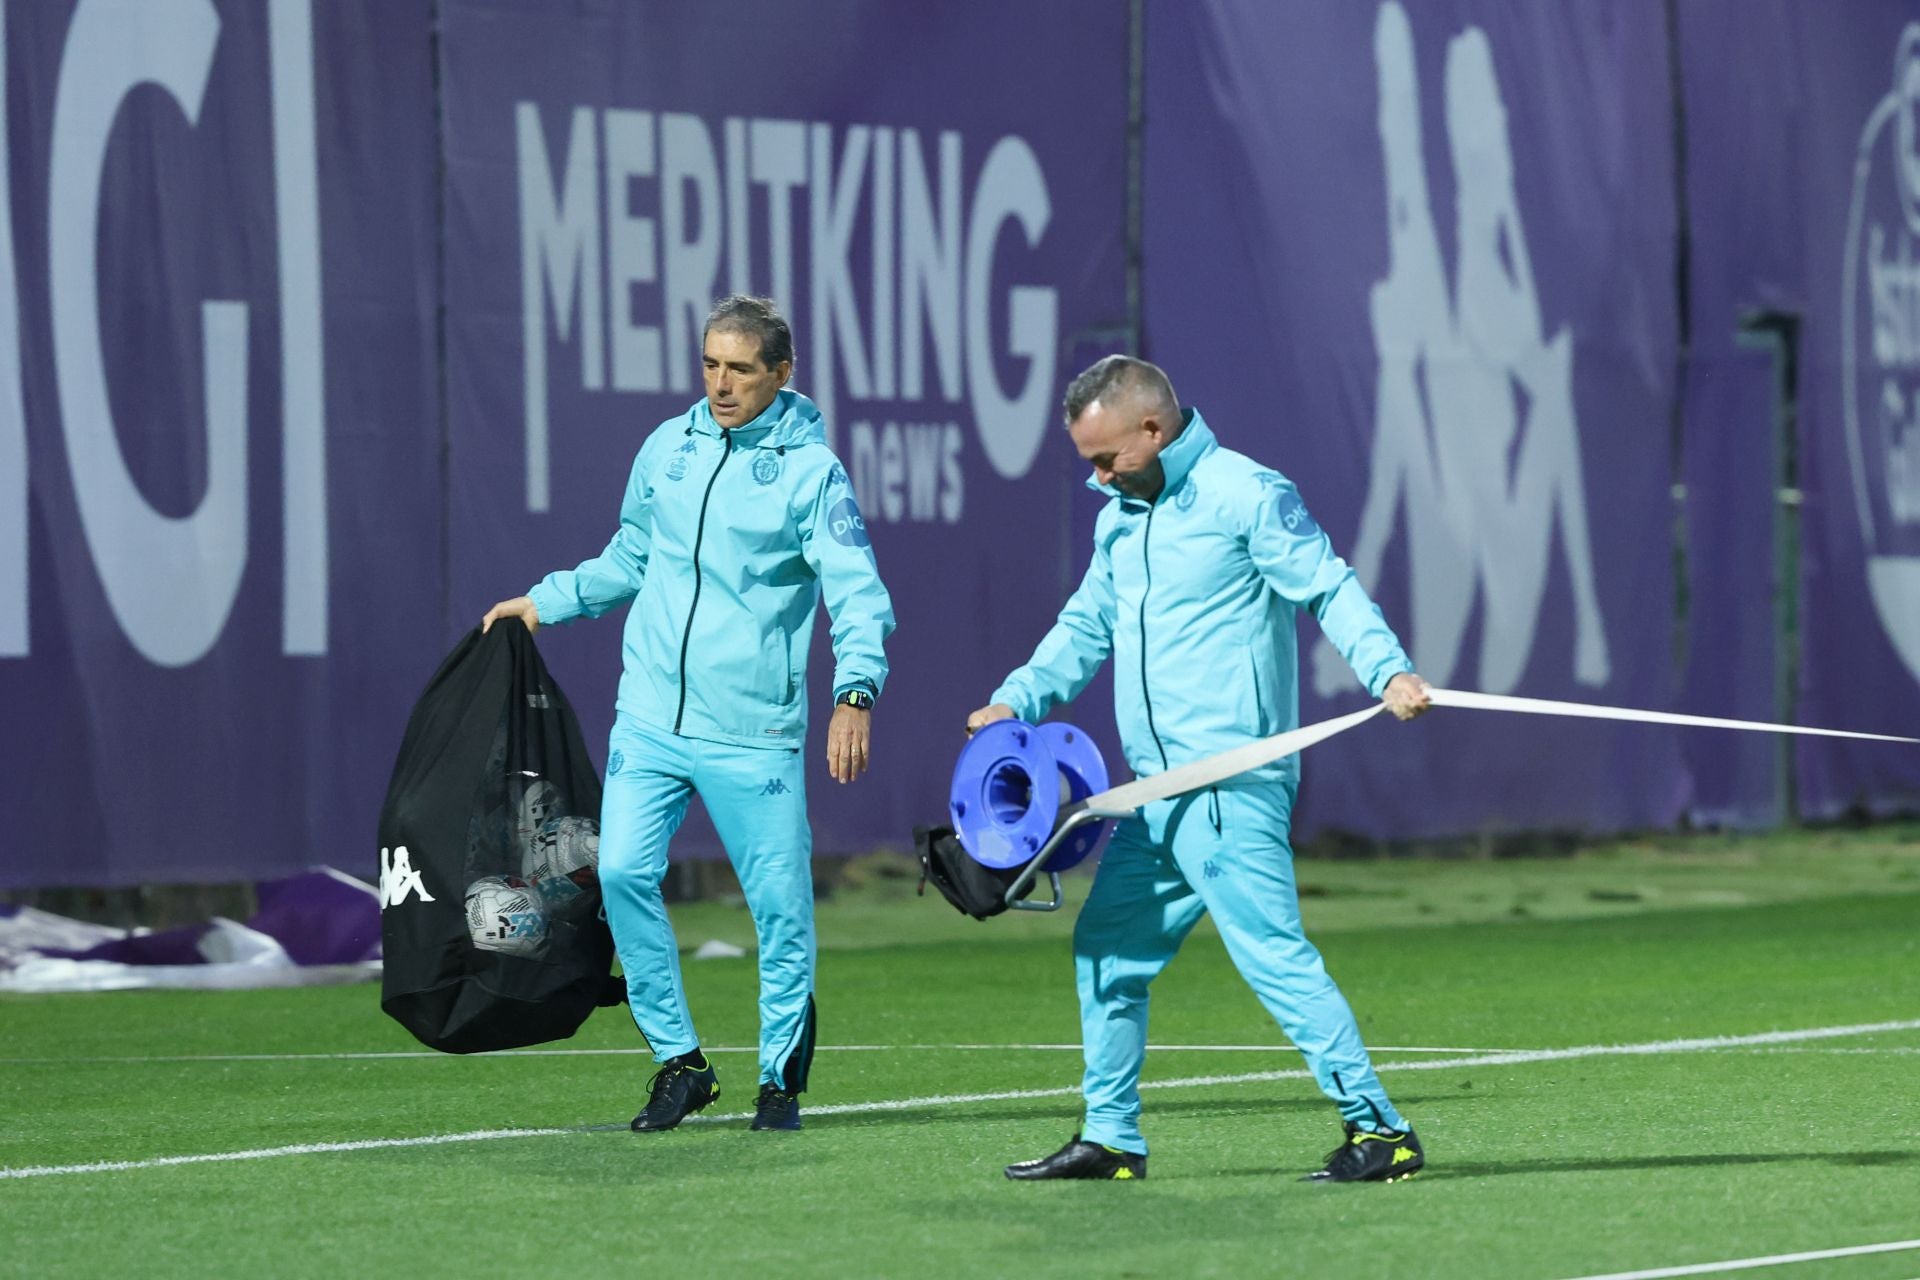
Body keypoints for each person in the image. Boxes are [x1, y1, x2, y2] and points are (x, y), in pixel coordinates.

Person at [967, 354, 1431, 1182]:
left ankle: (1383, 1130)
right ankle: (1112, 1140)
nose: (1099, 476)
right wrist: (1017, 700)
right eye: (1089, 463)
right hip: (1151, 797)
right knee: (1106, 950)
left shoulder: (1244, 493)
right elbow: (1084, 627)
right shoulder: (1120, 514)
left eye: (1109, 458)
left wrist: (1387, 671)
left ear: (1154, 426)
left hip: (1228, 785)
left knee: (1273, 958)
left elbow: (1328, 586)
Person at [484, 295, 893, 1134]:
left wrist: (856, 694)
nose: (721, 383)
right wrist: (549, 602)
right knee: (626, 873)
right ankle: (682, 1064)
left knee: (779, 911)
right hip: (651, 723)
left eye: (741, 367)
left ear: (781, 374)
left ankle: (778, 1085)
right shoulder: (667, 448)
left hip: (754, 733)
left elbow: (858, 594)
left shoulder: (813, 474)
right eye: (710, 363)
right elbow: (632, 554)